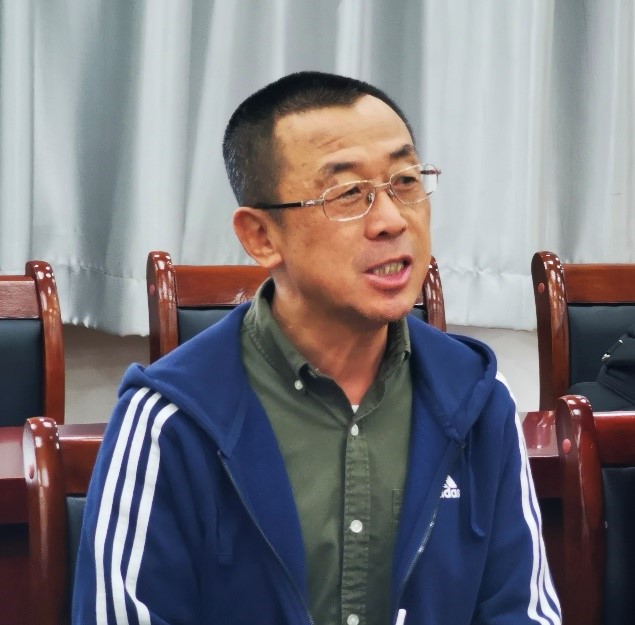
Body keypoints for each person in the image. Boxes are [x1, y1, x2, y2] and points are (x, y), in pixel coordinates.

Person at [72, 71, 561, 625]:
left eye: (405, 181)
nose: (392, 220)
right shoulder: (171, 418)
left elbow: (523, 611)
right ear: (261, 236)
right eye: (348, 194)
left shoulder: (477, 398)